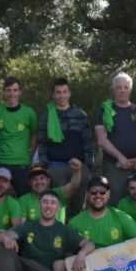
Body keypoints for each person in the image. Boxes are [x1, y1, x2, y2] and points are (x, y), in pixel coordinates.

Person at [0, 191, 89, 271]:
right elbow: (3, 235)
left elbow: (89, 244)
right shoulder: (29, 225)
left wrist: (82, 254)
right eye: (45, 202)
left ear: (58, 207)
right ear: (39, 205)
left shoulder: (65, 230)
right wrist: (6, 238)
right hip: (24, 267)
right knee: (2, 245)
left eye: (53, 203)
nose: (48, 206)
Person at [38, 77, 93, 211]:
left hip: (78, 167)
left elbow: (87, 141)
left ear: (69, 93)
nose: (61, 95)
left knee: (78, 206)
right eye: (58, 92)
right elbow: (42, 142)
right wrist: (45, 165)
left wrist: (87, 166)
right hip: (55, 167)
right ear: (53, 95)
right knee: (58, 207)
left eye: (64, 92)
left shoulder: (80, 115)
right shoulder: (46, 116)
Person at [94, 72, 136, 205]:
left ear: (131, 89)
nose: (122, 90)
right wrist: (120, 157)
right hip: (114, 166)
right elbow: (101, 140)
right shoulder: (104, 111)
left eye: (125, 87)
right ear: (113, 89)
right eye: (119, 87)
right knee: (115, 201)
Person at [0, 76, 37, 195]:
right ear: (4, 92)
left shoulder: (29, 112)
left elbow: (35, 134)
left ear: (20, 92)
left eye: (15, 90)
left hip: (22, 163)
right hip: (1, 162)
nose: (12, 94)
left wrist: (30, 154)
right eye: (8, 90)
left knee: (23, 197)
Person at [19, 161, 84, 223]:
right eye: (35, 179)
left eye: (42, 178)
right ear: (30, 183)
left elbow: (74, 186)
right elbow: (22, 224)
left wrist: (77, 171)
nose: (39, 182)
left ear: (48, 181)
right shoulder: (23, 200)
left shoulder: (57, 193)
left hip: (58, 230)